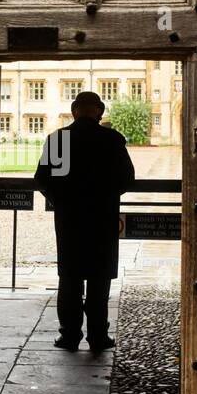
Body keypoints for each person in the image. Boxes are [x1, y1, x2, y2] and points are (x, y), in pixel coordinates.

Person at [33, 91, 135, 354]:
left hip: (70, 220)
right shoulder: (112, 140)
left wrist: (61, 199)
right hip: (103, 218)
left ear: (75, 111)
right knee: (100, 280)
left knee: (69, 278)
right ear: (99, 113)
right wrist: (105, 196)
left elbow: (44, 180)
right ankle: (98, 336)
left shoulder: (60, 140)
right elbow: (126, 179)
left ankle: (69, 336)